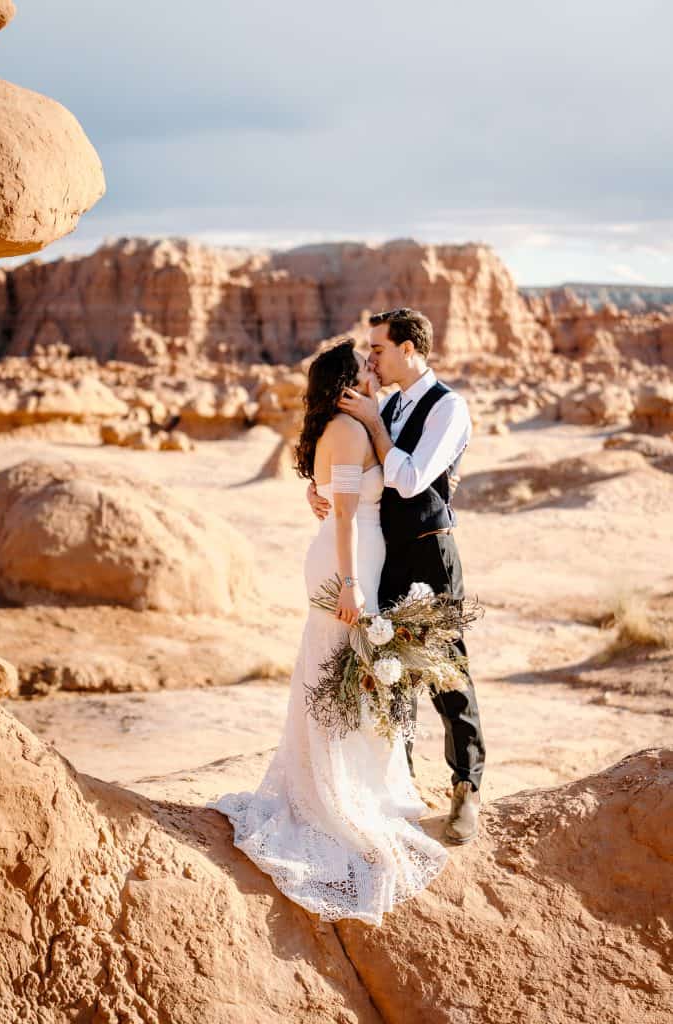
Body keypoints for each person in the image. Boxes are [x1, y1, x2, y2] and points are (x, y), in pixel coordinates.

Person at [207, 339, 448, 926]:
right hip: (348, 563)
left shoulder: (351, 424)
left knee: (346, 675)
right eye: (365, 366)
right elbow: (342, 512)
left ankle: (357, 783)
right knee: (336, 671)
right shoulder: (345, 429)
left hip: (357, 557)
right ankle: (327, 798)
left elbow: (339, 496)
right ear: (345, 381)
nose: (374, 369)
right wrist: (348, 583)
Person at [307, 308, 486, 844]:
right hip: (384, 555)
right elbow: (360, 472)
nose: (374, 359)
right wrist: (318, 488)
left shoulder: (447, 408)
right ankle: (399, 783)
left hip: (430, 553)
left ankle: (466, 788)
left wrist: (374, 422)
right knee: (389, 673)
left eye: (379, 349)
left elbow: (407, 480)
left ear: (410, 349)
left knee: (446, 670)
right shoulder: (384, 405)